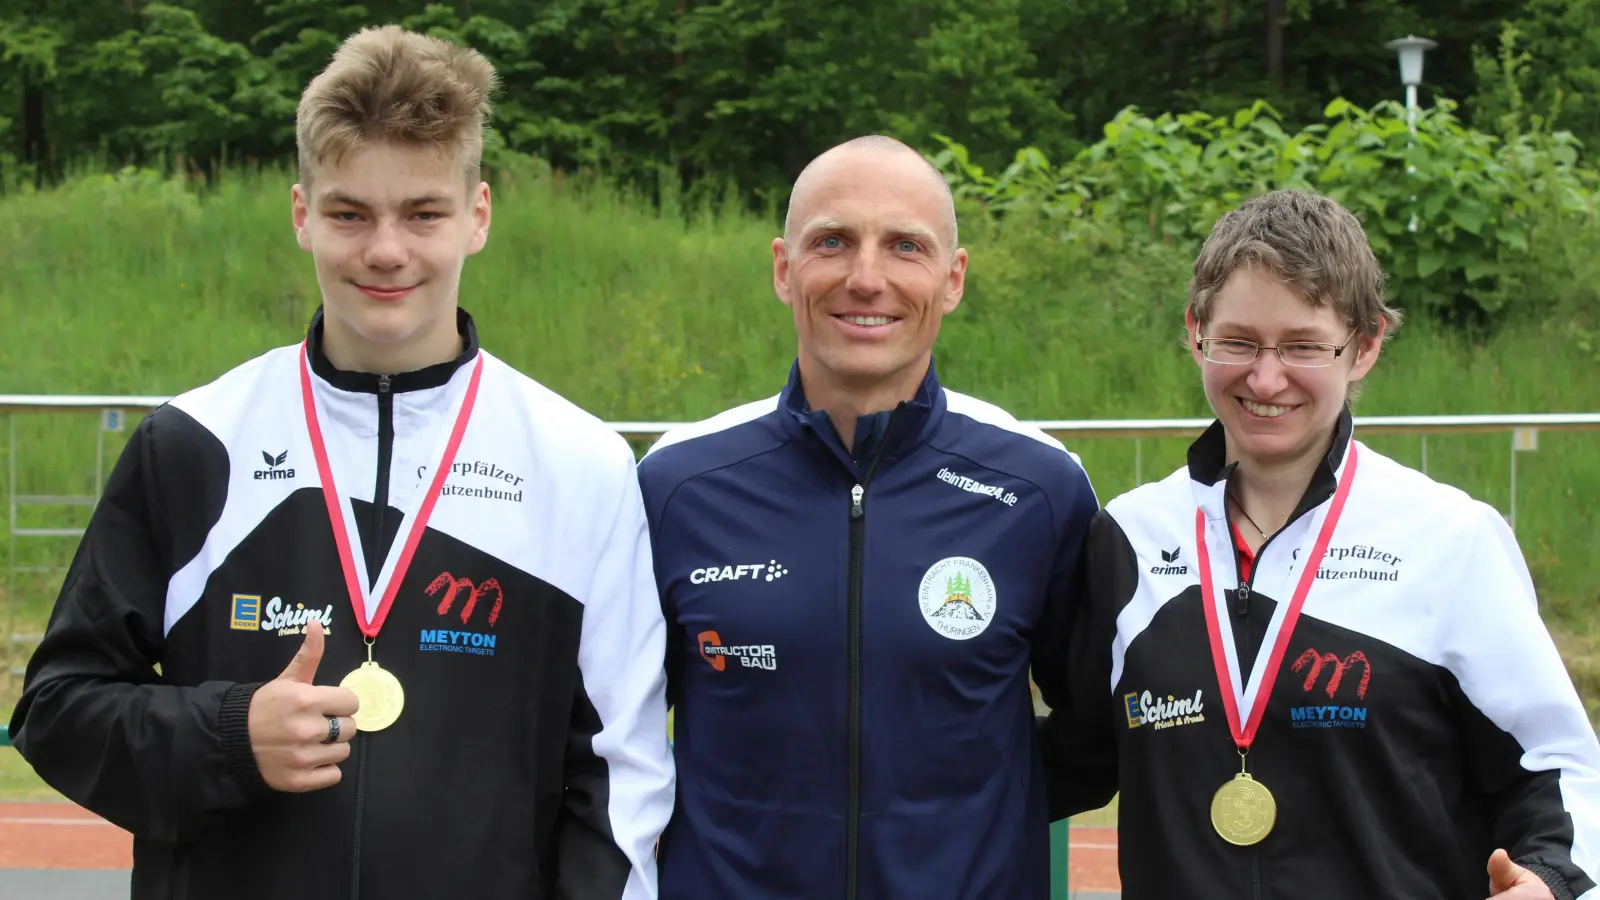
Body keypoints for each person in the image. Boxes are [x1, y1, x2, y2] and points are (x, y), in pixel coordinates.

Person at [7, 25, 673, 900]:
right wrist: (226, 734)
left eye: (423, 213)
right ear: (301, 214)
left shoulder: (579, 463)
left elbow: (620, 779)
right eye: (350, 213)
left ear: (477, 216)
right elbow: (56, 710)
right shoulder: (194, 443)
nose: (386, 251)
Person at [1045, 188, 1600, 899]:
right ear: (1196, 334)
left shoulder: (1449, 539)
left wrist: (1550, 879)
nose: (1265, 377)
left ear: (1364, 346)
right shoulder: (1127, 537)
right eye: (1239, 341)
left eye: (1304, 346)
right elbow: (1078, 755)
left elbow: (1557, 765)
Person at [636, 134, 1099, 900]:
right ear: (785, 269)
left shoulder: (1038, 487)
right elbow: (613, 736)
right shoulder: (679, 484)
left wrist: (965, 838)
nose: (866, 277)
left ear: (952, 280)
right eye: (833, 242)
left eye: (905, 247)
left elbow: (1095, 733)